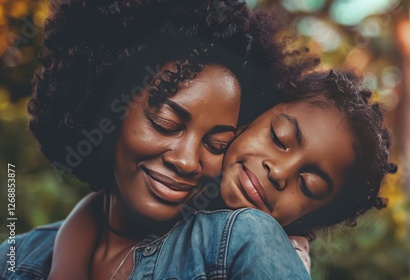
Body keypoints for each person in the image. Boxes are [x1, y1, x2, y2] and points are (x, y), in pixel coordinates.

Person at [0, 0, 317, 279]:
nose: (187, 161)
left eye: (216, 145)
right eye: (165, 123)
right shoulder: (14, 259)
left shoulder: (238, 245)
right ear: (107, 111)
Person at [47, 70, 397, 279]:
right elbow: (97, 207)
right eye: (279, 138)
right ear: (249, 119)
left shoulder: (261, 246)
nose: (278, 172)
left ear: (311, 216)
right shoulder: (185, 185)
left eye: (308, 185)